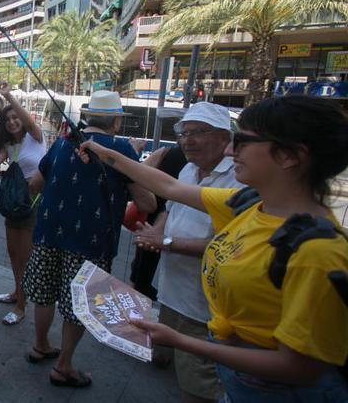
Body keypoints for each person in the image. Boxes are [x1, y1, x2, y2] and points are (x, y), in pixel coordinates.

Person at [80, 95, 348, 401]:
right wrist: (105, 151)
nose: (232, 149)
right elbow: (169, 188)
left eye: (243, 140)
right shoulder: (249, 205)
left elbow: (300, 367)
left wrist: (182, 341)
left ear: (289, 156)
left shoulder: (318, 252)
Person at [22, 90, 156, 388]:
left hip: (48, 231)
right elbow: (147, 203)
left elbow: (35, 183)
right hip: (91, 240)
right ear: (116, 123)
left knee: (44, 292)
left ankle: (40, 344)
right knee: (77, 303)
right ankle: (63, 365)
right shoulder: (121, 150)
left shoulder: (61, 143)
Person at [134, 103, 240, 403]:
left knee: (198, 384)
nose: (187, 140)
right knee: (163, 354)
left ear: (224, 138)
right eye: (184, 132)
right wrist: (157, 232)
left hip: (203, 304)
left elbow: (228, 244)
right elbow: (170, 206)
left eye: (198, 132)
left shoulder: (238, 179)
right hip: (170, 291)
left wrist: (165, 243)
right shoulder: (188, 168)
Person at [0, 84, 45, 325]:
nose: (12, 122)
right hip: (14, 202)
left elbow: (28, 121)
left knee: (25, 255)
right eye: (7, 119)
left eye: (15, 117)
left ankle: (21, 306)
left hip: (34, 201)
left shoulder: (36, 136)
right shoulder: (9, 147)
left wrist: (8, 97)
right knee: (13, 252)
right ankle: (18, 292)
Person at [128, 143, 187, 301]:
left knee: (140, 285)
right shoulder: (186, 163)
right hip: (158, 230)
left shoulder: (166, 152)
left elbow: (135, 175)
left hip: (153, 225)